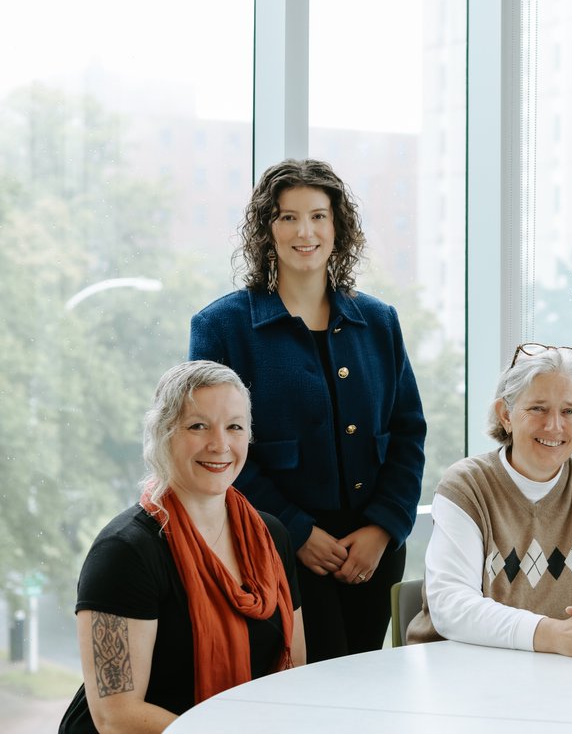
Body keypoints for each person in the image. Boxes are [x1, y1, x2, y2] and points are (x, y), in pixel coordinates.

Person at [189, 158, 426, 662]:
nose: (305, 231)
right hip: (275, 544)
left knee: (365, 681)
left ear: (338, 228)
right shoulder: (222, 327)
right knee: (309, 688)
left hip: (374, 550)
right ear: (265, 229)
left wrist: (384, 528)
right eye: (288, 217)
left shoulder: (379, 321)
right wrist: (296, 532)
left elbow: (408, 432)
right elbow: (216, 449)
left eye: (318, 216)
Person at [60, 361, 304, 734]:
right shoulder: (124, 552)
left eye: (234, 427)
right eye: (198, 426)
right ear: (163, 433)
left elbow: (295, 669)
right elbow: (116, 716)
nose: (220, 444)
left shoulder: (272, 536)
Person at [407, 344, 572, 664]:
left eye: (569, 411)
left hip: (569, 679)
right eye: (538, 408)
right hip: (467, 678)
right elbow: (451, 605)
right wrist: (554, 635)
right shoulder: (466, 486)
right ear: (506, 415)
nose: (554, 426)